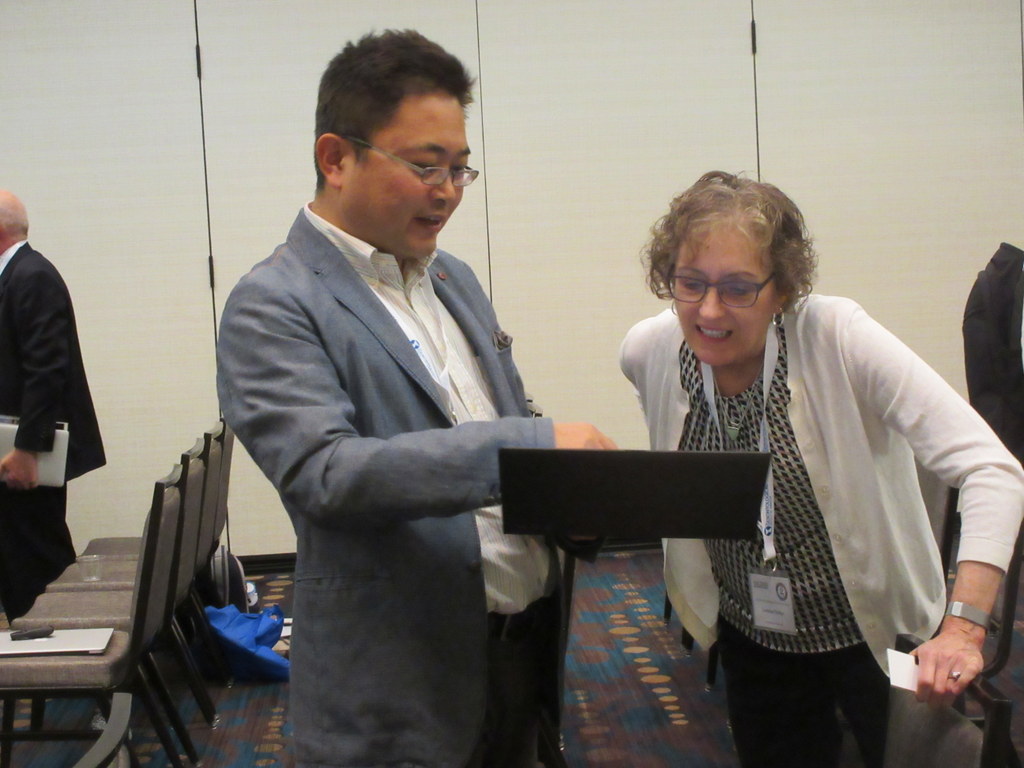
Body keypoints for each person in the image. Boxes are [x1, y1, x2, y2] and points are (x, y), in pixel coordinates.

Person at [216, 30, 615, 768]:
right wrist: (530, 446)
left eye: (461, 168)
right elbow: (328, 473)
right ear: (336, 158)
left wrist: (574, 501)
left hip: (520, 655)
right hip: (400, 683)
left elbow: (500, 421)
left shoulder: (451, 277)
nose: (448, 190)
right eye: (426, 166)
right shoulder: (273, 302)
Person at [619, 171, 1024, 768]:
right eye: (690, 283)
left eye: (738, 288)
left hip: (874, 632)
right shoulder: (648, 352)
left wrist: (964, 628)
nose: (709, 309)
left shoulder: (838, 338)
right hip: (753, 631)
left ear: (782, 288)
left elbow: (992, 468)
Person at [0, 190, 105, 620]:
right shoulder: (17, 275)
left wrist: (28, 449)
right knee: (21, 559)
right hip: (18, 448)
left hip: (27, 453)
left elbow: (47, 371)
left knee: (36, 563)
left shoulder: (32, 276)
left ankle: (58, 649)